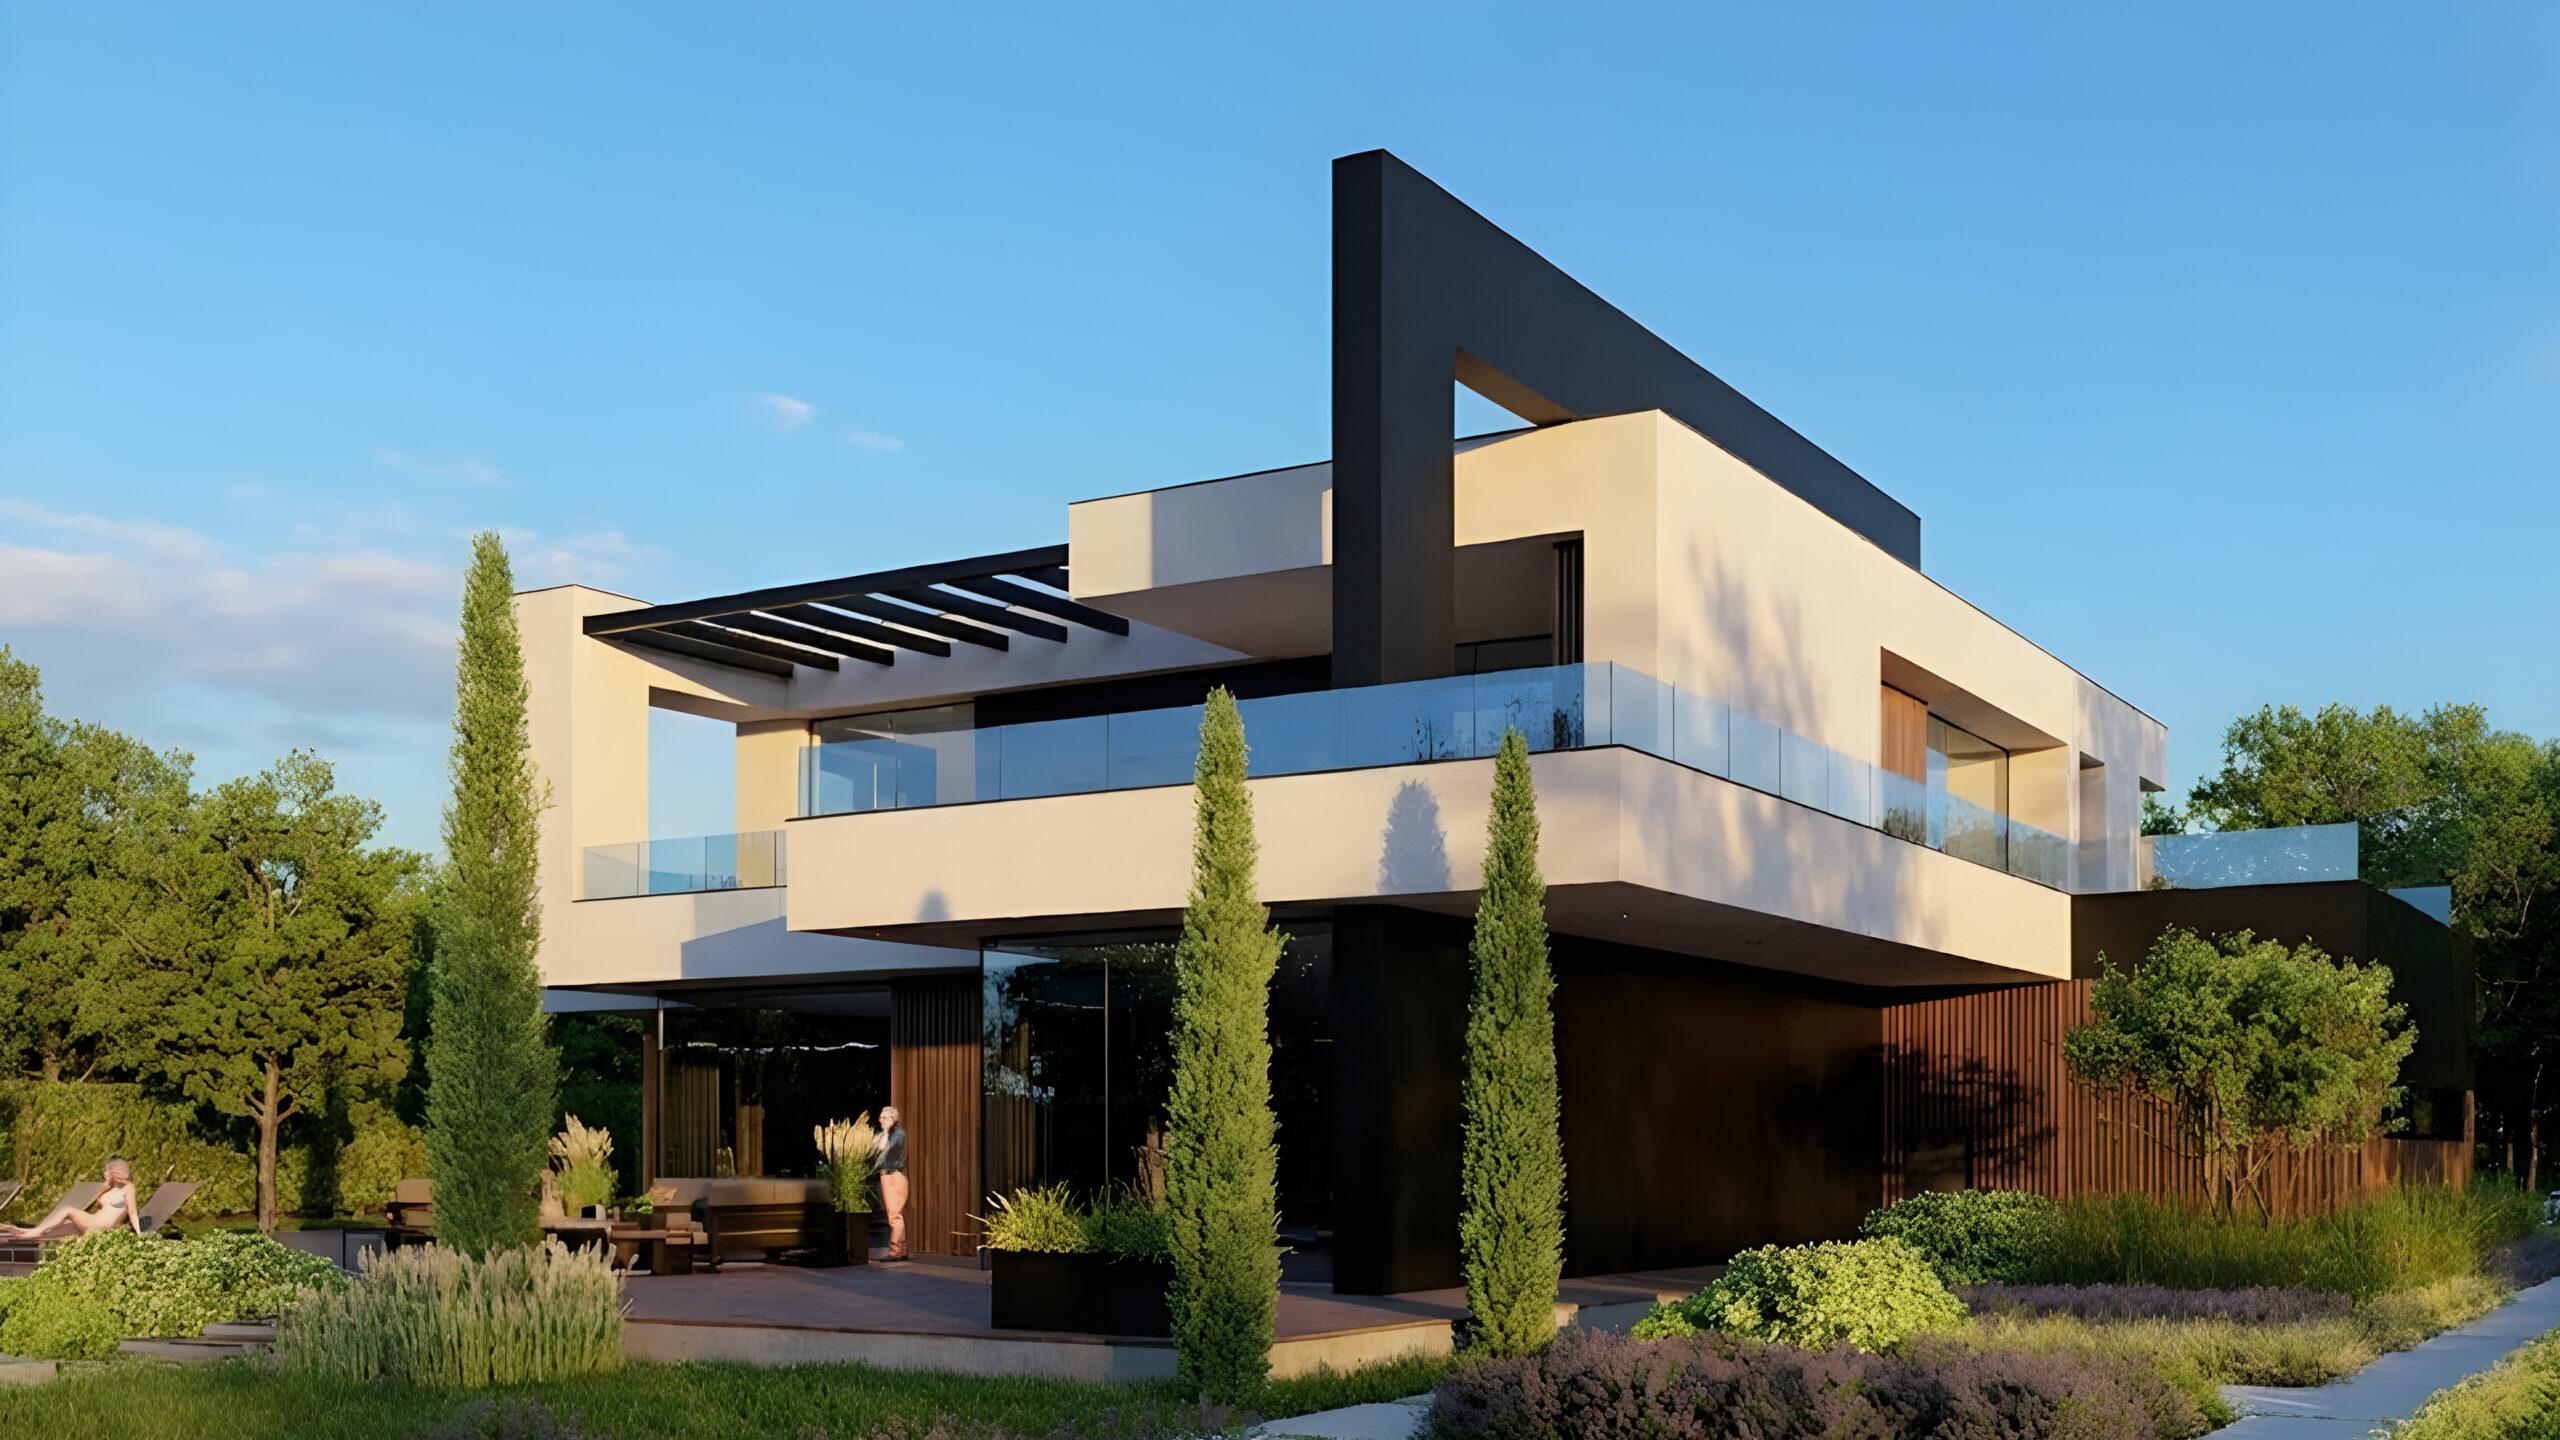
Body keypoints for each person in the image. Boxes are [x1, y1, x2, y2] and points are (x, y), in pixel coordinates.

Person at [1, 1158, 142, 1241]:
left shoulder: (128, 1188)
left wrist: (140, 1234)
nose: (105, 1173)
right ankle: (24, 1235)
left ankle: (34, 1231)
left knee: (67, 1210)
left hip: (101, 1225)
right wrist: (101, 1192)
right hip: (93, 1223)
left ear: (117, 1172)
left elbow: (133, 1213)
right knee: (61, 1227)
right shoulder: (109, 1189)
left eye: (107, 1171)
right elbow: (99, 1206)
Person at [876, 1106, 909, 1261]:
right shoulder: (889, 1134)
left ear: (893, 1119)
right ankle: (902, 1250)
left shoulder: (898, 1134)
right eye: (880, 1117)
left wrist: (886, 1131)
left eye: (884, 1117)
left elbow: (884, 1147)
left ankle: (895, 1251)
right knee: (896, 1215)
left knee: (894, 1216)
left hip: (894, 1176)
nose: (880, 1120)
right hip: (888, 1176)